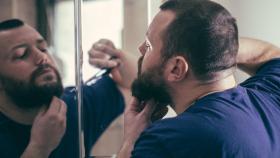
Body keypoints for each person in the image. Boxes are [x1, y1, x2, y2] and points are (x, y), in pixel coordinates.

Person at [115, 0, 280, 157]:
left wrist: (131, 141)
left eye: (149, 45)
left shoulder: (168, 140)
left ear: (176, 69)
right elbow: (270, 55)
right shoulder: (270, 93)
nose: (141, 49)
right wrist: (215, 49)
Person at [0, 19, 136, 158]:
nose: (42, 57)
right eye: (21, 54)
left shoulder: (72, 106)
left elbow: (129, 84)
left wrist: (115, 55)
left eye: (43, 48)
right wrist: (40, 148)